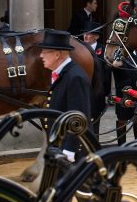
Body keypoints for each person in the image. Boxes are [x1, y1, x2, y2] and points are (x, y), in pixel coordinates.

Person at [38, 30, 92, 162]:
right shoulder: (63, 73)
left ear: (57, 54)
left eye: (44, 52)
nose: (40, 56)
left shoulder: (75, 77)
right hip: (59, 145)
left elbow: (78, 116)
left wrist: (70, 149)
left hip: (72, 153)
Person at [111, 44, 137, 145]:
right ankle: (122, 148)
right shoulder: (120, 51)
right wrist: (115, 63)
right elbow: (114, 67)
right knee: (122, 120)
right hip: (124, 92)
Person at [81, 21, 111, 136]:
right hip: (82, 91)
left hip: (97, 92)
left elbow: (107, 74)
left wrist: (106, 93)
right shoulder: (79, 49)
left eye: (89, 34)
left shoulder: (103, 50)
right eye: (85, 33)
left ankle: (94, 148)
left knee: (94, 122)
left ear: (97, 36)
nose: (86, 36)